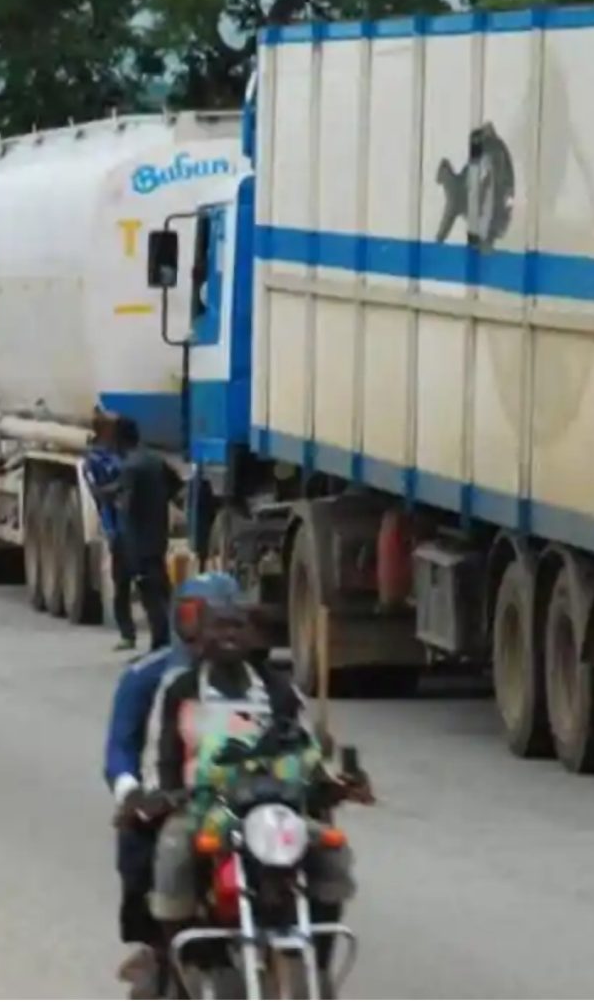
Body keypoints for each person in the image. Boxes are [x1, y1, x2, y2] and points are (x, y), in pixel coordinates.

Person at [143, 598, 359, 975]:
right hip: (206, 806)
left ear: (253, 635)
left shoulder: (279, 690)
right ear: (200, 635)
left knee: (331, 851)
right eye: (219, 626)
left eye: (237, 627)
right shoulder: (181, 689)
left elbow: (304, 748)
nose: (228, 635)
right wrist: (165, 794)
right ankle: (180, 966)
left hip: (274, 809)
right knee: (173, 851)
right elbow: (162, 755)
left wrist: (330, 781)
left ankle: (317, 961)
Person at [103, 573, 244, 991]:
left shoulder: (262, 682)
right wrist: (134, 793)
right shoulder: (147, 679)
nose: (214, 632)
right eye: (198, 618)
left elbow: (296, 736)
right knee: (140, 841)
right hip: (179, 796)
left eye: (226, 619)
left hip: (246, 801)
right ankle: (157, 941)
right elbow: (121, 748)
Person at [113, 415, 180, 651]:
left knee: (150, 597)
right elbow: (176, 485)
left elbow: (128, 511)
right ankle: (172, 642)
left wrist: (130, 553)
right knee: (163, 594)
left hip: (139, 545)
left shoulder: (130, 467)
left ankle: (159, 645)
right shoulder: (155, 460)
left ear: (119, 439)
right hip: (158, 537)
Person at [85, 411, 138, 649]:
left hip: (134, 530)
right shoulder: (97, 460)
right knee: (123, 584)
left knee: (143, 585)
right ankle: (127, 632)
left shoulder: (128, 459)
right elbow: (100, 493)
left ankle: (135, 632)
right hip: (119, 528)